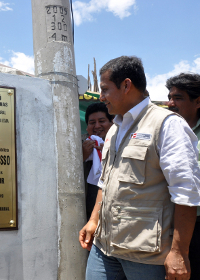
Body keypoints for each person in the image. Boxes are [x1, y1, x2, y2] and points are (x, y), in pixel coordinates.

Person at [79, 56, 200, 280]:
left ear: (126, 85)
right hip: (104, 248)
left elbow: (186, 193)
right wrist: (94, 219)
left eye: (105, 89)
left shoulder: (167, 124)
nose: (101, 96)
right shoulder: (115, 128)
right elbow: (105, 181)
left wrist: (179, 252)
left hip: (145, 255)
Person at [166, 72, 200, 280]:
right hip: (171, 223)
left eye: (177, 98)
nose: (170, 103)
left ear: (198, 101)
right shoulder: (165, 130)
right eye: (170, 97)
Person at [82, 102, 113, 221]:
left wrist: (108, 153)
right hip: (86, 214)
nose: (97, 126)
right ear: (87, 126)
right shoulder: (77, 145)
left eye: (102, 121)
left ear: (112, 123)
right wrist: (82, 156)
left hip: (110, 213)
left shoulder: (119, 144)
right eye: (92, 122)